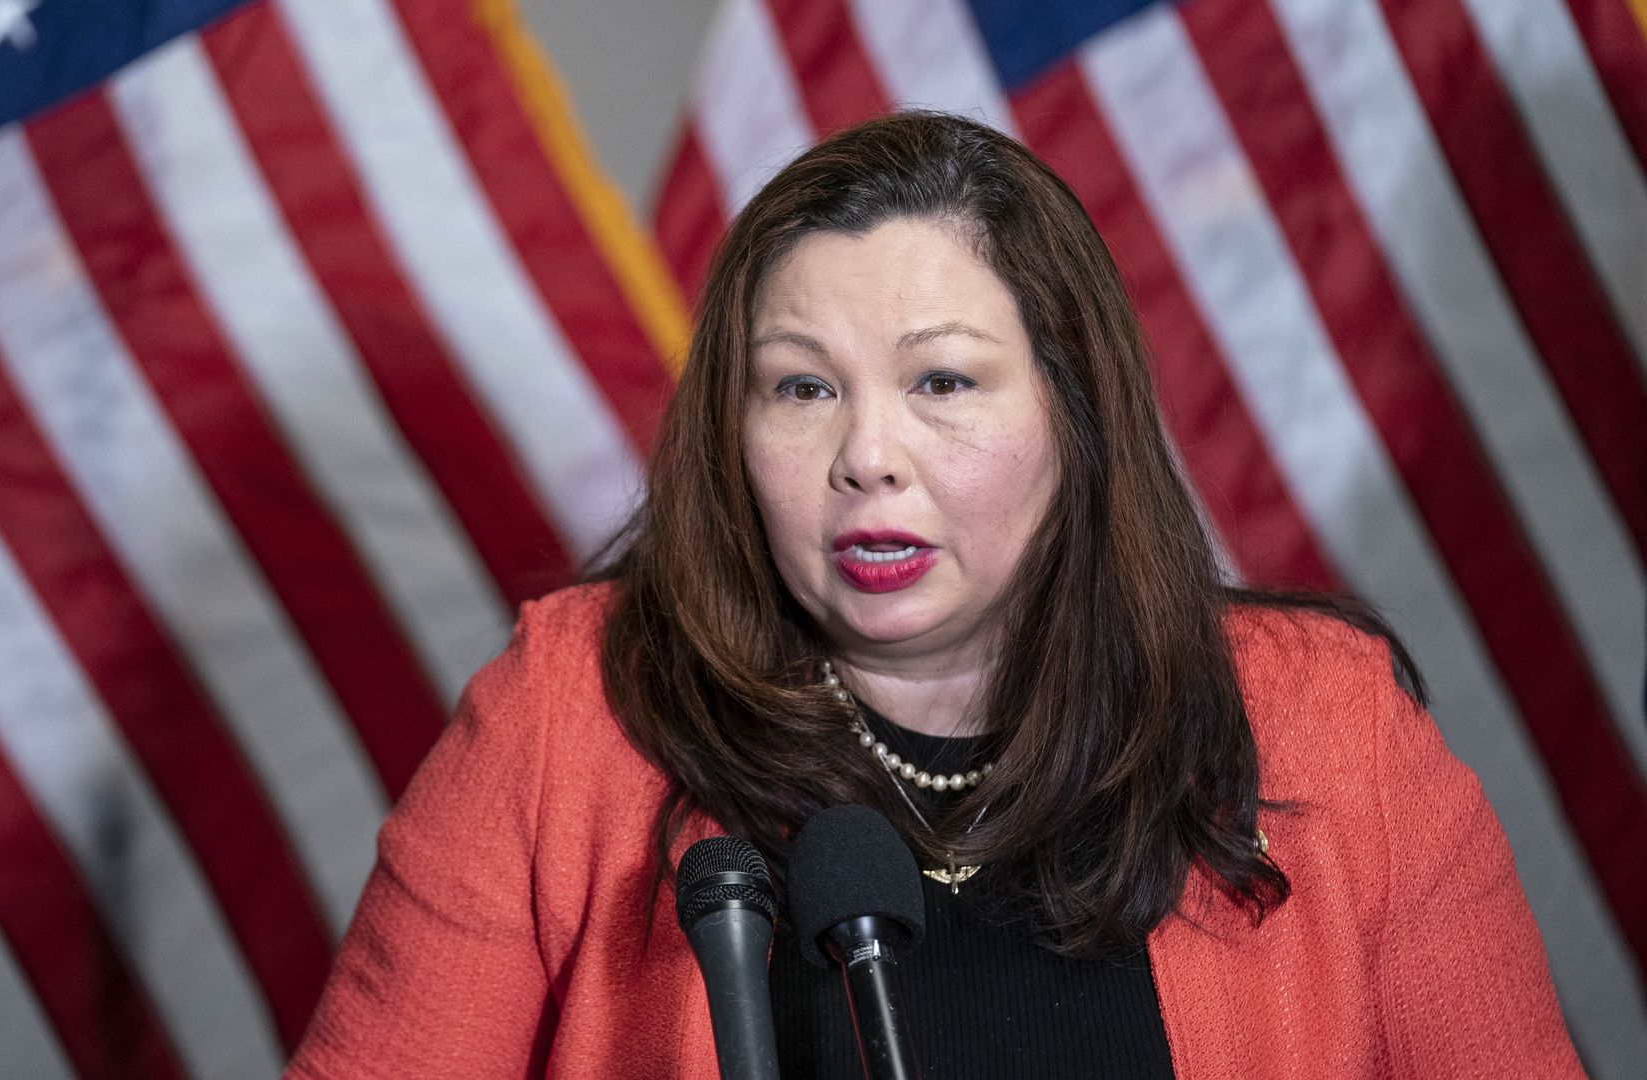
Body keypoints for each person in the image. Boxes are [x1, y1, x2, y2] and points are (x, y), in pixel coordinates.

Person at [283, 112, 1582, 1078]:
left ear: (1078, 418)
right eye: (802, 387)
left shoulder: (1329, 734)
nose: (866, 454)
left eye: (942, 383)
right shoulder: (570, 716)